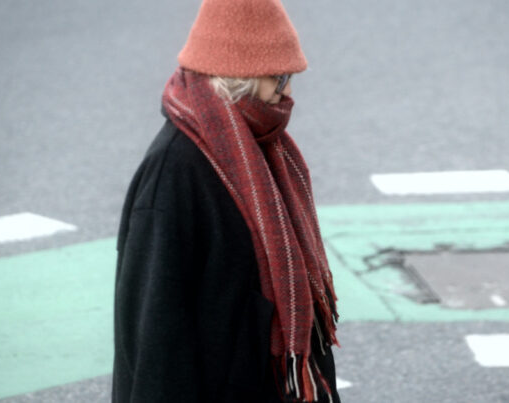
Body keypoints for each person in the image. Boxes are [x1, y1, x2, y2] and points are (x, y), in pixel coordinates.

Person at [112, 0, 340, 402]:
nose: (288, 93)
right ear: (241, 78)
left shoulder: (263, 146)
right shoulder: (174, 172)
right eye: (279, 77)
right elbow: (155, 336)